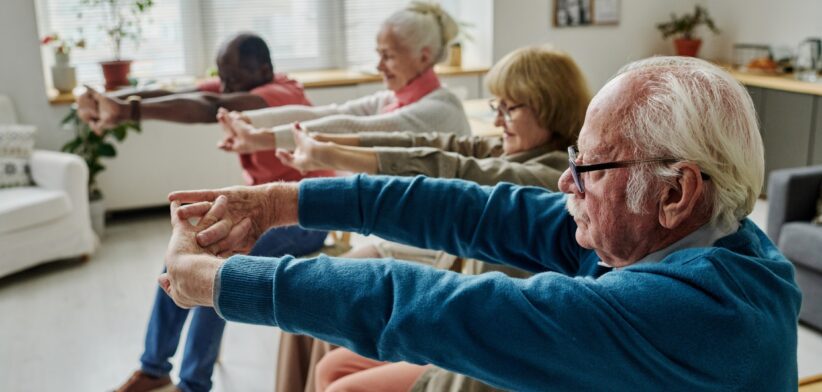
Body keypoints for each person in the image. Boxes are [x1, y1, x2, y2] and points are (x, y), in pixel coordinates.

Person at [160, 56, 801, 390]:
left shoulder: (695, 310)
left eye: (590, 165)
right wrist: (282, 204)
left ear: (675, 193)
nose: (565, 180)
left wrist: (219, 282)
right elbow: (474, 209)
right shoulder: (686, 236)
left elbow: (442, 308)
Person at [256, 46, 588, 392]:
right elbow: (425, 144)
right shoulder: (516, 149)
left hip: (481, 337)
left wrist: (327, 156)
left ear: (550, 106)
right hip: (460, 303)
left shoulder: (547, 175)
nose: (497, 120)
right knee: (330, 352)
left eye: (510, 108)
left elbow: (453, 168)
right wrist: (323, 146)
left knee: (338, 362)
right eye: (496, 106)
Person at [78, 33, 330, 392]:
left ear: (264, 69)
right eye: (222, 74)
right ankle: (154, 368)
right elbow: (178, 95)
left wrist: (127, 111)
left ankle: (193, 384)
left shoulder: (280, 94)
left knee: (215, 269)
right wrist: (109, 101)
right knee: (180, 255)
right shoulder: (242, 80)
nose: (224, 83)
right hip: (261, 207)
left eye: (232, 76)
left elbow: (209, 103)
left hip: (305, 215)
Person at [216, 1, 470, 157]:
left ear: (423, 57)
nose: (379, 65)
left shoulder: (439, 110)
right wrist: (249, 120)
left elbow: (355, 129)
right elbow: (325, 114)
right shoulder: (392, 99)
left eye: (388, 56)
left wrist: (262, 139)